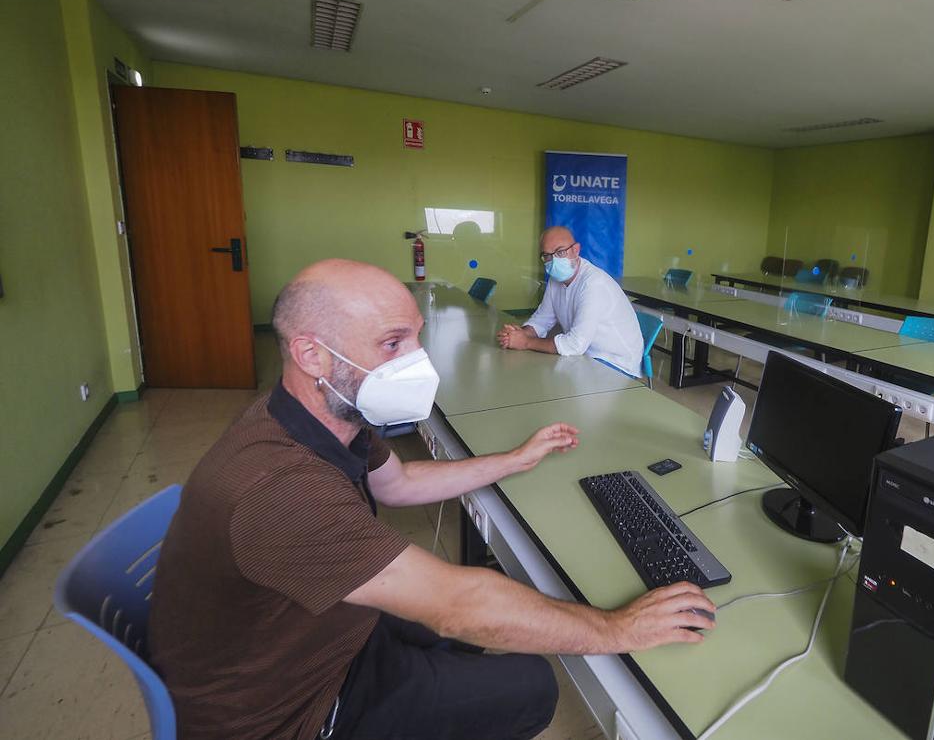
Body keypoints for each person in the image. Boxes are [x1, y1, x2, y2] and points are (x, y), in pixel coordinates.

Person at [148, 259, 714, 740]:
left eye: (415, 337)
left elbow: (398, 484)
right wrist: (617, 630)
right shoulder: (278, 488)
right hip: (291, 711)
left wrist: (513, 460)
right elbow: (455, 605)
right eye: (393, 343)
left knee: (454, 644)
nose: (418, 360)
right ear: (311, 355)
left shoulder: (327, 416)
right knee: (531, 684)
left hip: (318, 632)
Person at [497, 226, 644, 376]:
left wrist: (526, 342)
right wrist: (520, 333)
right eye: (547, 255)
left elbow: (575, 344)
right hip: (584, 356)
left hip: (615, 363)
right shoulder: (557, 279)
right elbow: (543, 319)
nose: (554, 261)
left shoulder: (593, 284)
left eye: (560, 252)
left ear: (576, 250)